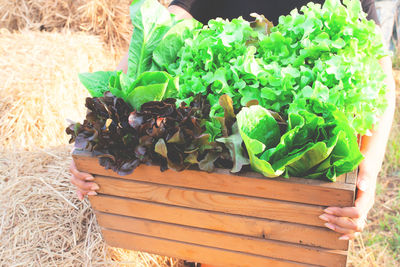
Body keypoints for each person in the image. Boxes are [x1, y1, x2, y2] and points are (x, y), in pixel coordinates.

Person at [70, 0, 396, 254]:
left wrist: (365, 180)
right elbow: (161, 35)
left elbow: (380, 76)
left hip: (298, 206)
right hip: (217, 191)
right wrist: (97, 137)